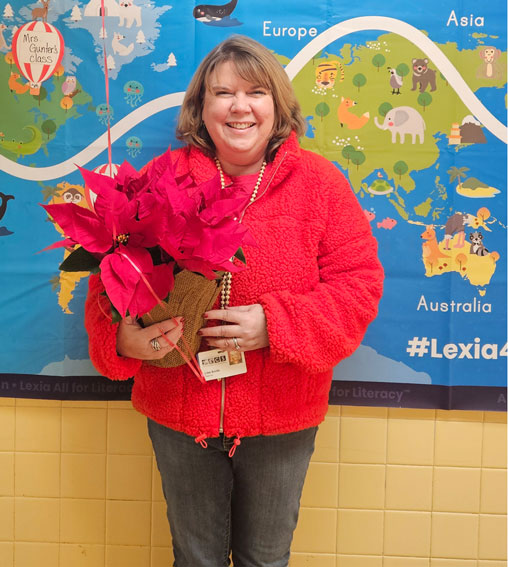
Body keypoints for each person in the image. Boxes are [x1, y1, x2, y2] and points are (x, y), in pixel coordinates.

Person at [84, 35, 384, 566]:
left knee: (264, 561)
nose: (240, 107)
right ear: (202, 108)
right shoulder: (163, 177)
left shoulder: (319, 185)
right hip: (180, 413)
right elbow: (109, 272)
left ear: (279, 106)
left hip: (282, 417)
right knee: (194, 559)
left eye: (256, 92)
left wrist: (275, 324)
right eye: (223, 93)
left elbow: (357, 285)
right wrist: (121, 339)